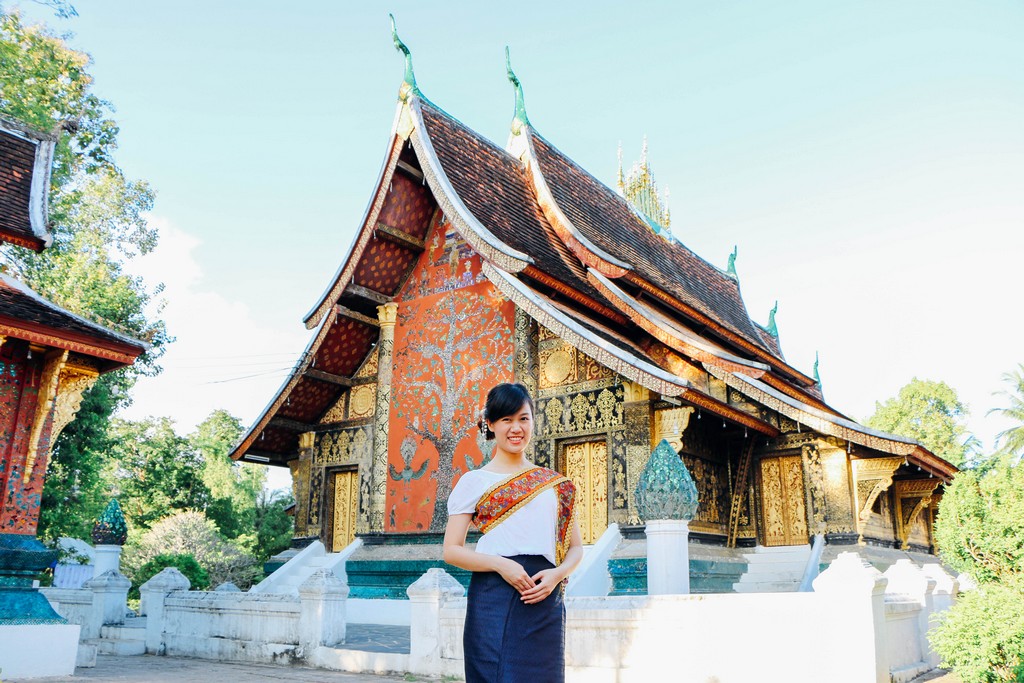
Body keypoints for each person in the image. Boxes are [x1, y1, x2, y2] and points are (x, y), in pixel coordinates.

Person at [443, 382, 583, 683]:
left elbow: (575, 549)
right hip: (492, 597)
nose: (516, 427)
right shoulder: (473, 481)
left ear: (533, 421)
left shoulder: (555, 485)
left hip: (543, 597)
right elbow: (451, 550)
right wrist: (500, 564)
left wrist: (557, 575)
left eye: (523, 418)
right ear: (490, 425)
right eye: (506, 419)